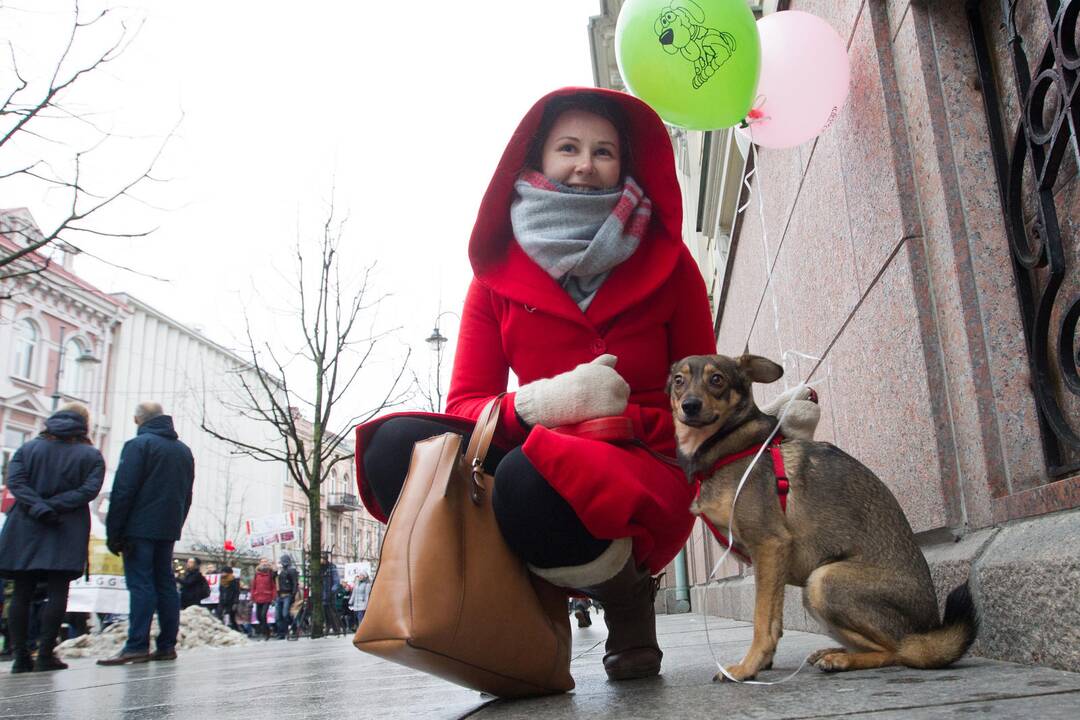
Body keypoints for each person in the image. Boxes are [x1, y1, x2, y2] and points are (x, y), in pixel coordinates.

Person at [355, 88, 813, 682]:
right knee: (403, 449)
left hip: (643, 460)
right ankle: (514, 601)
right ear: (536, 160)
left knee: (528, 478)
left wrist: (757, 429)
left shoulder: (671, 265)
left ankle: (626, 596)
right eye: (567, 147)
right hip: (535, 440)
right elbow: (467, 406)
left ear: (625, 165)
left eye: (604, 151)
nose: (584, 163)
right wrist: (545, 402)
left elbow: (705, 383)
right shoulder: (495, 277)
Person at [0, 404, 104, 673]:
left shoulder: (27, 449)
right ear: (84, 424)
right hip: (65, 527)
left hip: (26, 525)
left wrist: (39, 507)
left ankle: (20, 656)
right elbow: (88, 491)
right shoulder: (91, 455)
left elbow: (16, 482)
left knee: (22, 592)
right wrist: (56, 506)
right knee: (59, 592)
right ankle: (46, 653)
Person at [98, 402, 195, 666]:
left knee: (140, 584)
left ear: (138, 419)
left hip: (138, 527)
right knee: (165, 584)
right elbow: (187, 495)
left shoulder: (138, 446)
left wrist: (114, 531)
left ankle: (137, 644)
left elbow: (123, 491)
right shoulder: (183, 451)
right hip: (167, 528)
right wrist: (176, 523)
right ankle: (167, 644)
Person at [249, 558, 276, 640]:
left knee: (263, 615)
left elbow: (274, 586)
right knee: (258, 616)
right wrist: (252, 598)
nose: (264, 563)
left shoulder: (271, 573)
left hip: (267, 597)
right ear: (260, 563)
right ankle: (266, 630)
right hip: (258, 597)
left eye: (265, 562)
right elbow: (254, 586)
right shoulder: (256, 574)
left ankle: (266, 633)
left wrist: (273, 598)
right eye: (262, 562)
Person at [274, 553, 299, 640]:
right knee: (278, 615)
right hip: (279, 595)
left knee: (285, 614)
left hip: (287, 594)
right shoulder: (279, 571)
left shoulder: (291, 570)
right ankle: (282, 632)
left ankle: (293, 627)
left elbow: (295, 583)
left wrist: (293, 595)